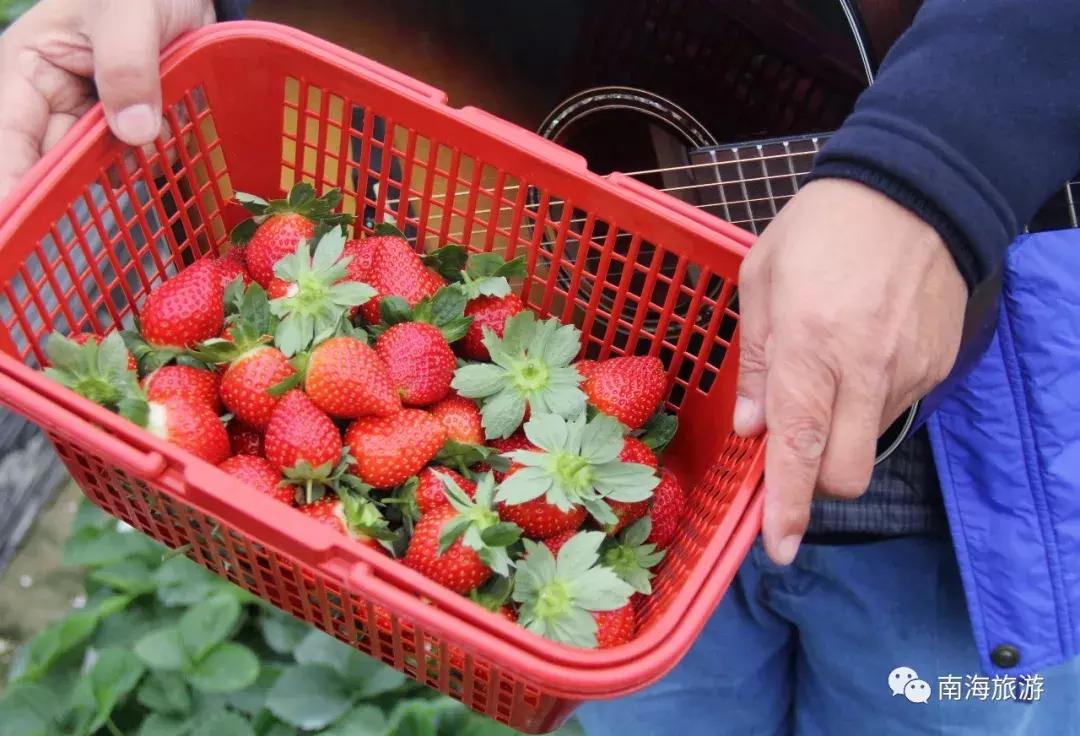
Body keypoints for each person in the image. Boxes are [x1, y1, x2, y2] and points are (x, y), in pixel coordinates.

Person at [2, 1, 1079, 734]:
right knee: (653, 702)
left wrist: (942, 163)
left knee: (946, 698)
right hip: (562, 365)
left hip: (962, 441)